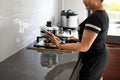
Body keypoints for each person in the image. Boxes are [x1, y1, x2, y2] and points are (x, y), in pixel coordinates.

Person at [45, 0, 109, 80]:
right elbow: (97, 39)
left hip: (93, 61)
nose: (84, 1)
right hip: (98, 58)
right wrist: (78, 40)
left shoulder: (95, 17)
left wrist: (59, 45)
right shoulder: (102, 14)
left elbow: (84, 47)